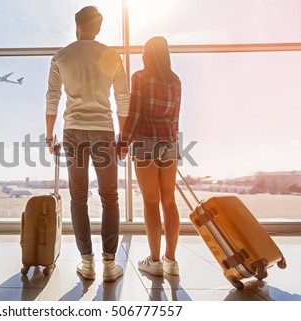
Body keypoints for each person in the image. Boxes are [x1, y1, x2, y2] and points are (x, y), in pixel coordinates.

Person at [45, 6, 130, 282]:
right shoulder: (112, 55)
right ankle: (109, 264)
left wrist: (49, 136)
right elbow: (123, 99)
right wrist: (124, 137)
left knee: (78, 197)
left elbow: (52, 98)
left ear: (77, 25)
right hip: (103, 130)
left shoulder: (61, 56)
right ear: (99, 28)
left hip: (73, 131)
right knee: (110, 197)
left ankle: (87, 262)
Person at [118, 36, 182, 276]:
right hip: (170, 143)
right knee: (169, 200)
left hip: (145, 141)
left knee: (150, 201)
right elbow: (175, 117)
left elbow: (134, 113)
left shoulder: (140, 77)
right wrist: (172, 143)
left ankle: (154, 262)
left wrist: (124, 142)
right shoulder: (175, 80)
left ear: (147, 54)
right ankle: (171, 261)